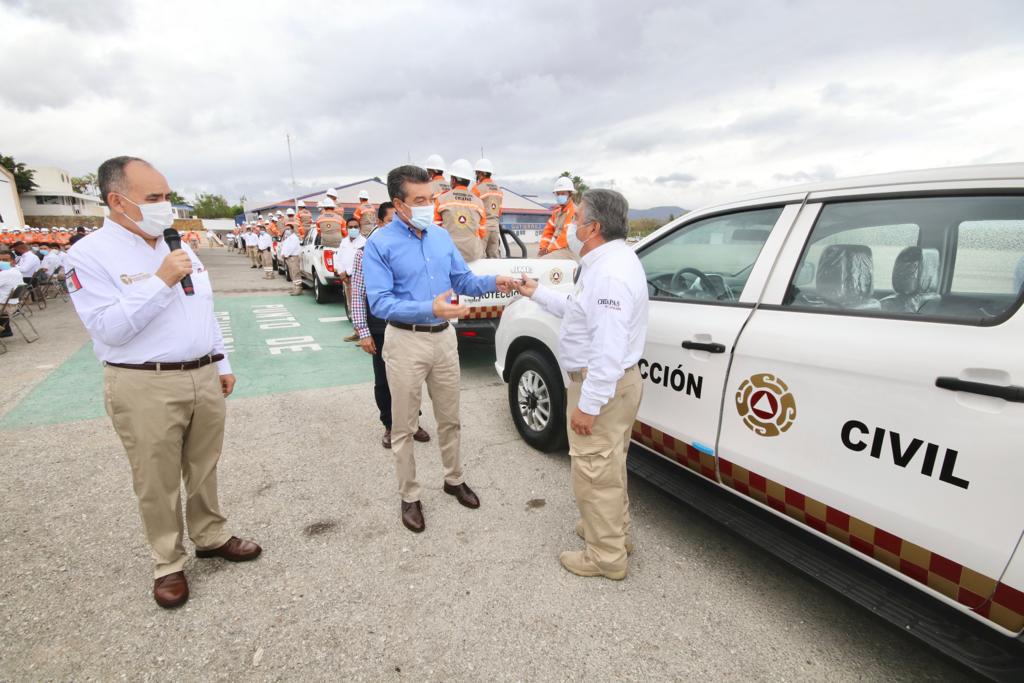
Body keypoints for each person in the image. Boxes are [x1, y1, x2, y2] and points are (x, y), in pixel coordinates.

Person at [66, 156, 261, 608]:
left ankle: (211, 535)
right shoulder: (89, 254)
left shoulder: (176, 245)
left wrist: (220, 359)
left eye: (167, 195)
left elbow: (202, 309)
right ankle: (168, 563)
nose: (165, 206)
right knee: (156, 479)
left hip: (202, 374)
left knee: (204, 465)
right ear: (118, 201)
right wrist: (160, 281)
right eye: (154, 198)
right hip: (143, 382)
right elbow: (108, 328)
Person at [363, 165, 515, 533]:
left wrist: (498, 281)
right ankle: (410, 495)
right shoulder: (379, 244)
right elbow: (380, 302)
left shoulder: (440, 237)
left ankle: (453, 479)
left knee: (450, 418)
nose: (428, 206)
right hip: (405, 341)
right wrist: (428, 307)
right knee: (404, 426)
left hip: (444, 339)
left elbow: (463, 280)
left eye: (430, 198)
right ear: (398, 204)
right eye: (419, 200)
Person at [513, 189, 648, 581]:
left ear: (594, 228)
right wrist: (535, 292)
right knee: (609, 466)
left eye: (577, 220)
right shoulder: (610, 260)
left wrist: (587, 406)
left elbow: (607, 351)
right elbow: (578, 312)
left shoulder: (609, 274)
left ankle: (605, 557)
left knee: (593, 470)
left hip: (600, 386)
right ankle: (612, 533)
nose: (571, 226)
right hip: (612, 385)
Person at [351, 201, 432, 448]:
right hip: (381, 327)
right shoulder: (365, 252)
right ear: (379, 223)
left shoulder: (412, 249)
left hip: (409, 325)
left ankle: (413, 422)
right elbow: (357, 293)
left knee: (412, 378)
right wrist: (363, 332)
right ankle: (390, 425)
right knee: (384, 381)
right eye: (390, 222)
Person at [434, 158, 487, 263]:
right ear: (468, 182)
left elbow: (435, 230)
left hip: (448, 254)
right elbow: (482, 232)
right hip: (472, 255)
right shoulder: (479, 202)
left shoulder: (441, 199)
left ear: (453, 180)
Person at [340, 218, 367, 341]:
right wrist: (341, 271)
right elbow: (339, 258)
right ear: (346, 228)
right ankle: (357, 332)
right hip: (347, 279)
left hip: (360, 280)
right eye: (350, 227)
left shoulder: (364, 242)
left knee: (362, 307)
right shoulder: (344, 242)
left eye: (355, 227)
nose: (353, 229)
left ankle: (365, 335)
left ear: (360, 228)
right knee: (352, 306)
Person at [539, 176, 578, 259]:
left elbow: (566, 236)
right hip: (556, 249)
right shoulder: (556, 212)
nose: (560, 196)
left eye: (563, 194)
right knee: (538, 261)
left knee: (543, 261)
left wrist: (549, 250)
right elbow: (548, 231)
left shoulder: (574, 211)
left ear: (570, 194)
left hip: (569, 250)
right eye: (558, 194)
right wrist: (543, 247)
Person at [472, 158, 504, 258]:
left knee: (479, 257)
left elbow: (472, 210)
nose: (476, 175)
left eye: (477, 173)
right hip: (495, 227)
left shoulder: (477, 189)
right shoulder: (499, 190)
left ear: (481, 173)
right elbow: (500, 211)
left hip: (482, 227)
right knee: (494, 256)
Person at [0, 250, 23, 337]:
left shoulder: (5, 274)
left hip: (4, 307)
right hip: (13, 305)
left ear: (13, 261)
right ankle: (6, 329)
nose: (1, 262)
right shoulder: (17, 271)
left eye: (5, 260)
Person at [279, 224, 302, 296]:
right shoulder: (288, 238)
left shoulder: (294, 238)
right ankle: (295, 288)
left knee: (296, 273)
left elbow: (291, 248)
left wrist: (285, 255)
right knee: (292, 274)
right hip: (288, 257)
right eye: (286, 229)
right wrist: (283, 254)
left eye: (288, 229)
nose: (287, 231)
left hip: (293, 257)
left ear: (292, 229)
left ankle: (298, 289)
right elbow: (284, 247)